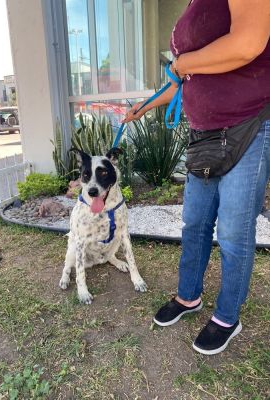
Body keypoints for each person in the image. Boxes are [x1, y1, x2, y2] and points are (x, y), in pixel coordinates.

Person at [123, 0, 270, 355]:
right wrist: (141, 109)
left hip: (247, 127)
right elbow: (180, 82)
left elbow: (247, 44)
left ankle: (227, 316)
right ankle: (188, 296)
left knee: (234, 231)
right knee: (194, 223)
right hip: (204, 135)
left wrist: (182, 61)